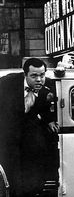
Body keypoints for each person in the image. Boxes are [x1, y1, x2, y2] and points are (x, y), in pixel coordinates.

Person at [0, 58, 59, 197]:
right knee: (12, 182)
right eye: (34, 76)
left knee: (33, 182)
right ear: (25, 74)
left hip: (31, 145)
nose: (39, 79)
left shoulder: (49, 86)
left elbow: (48, 106)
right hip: (9, 140)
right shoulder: (8, 83)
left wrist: (49, 120)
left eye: (42, 75)